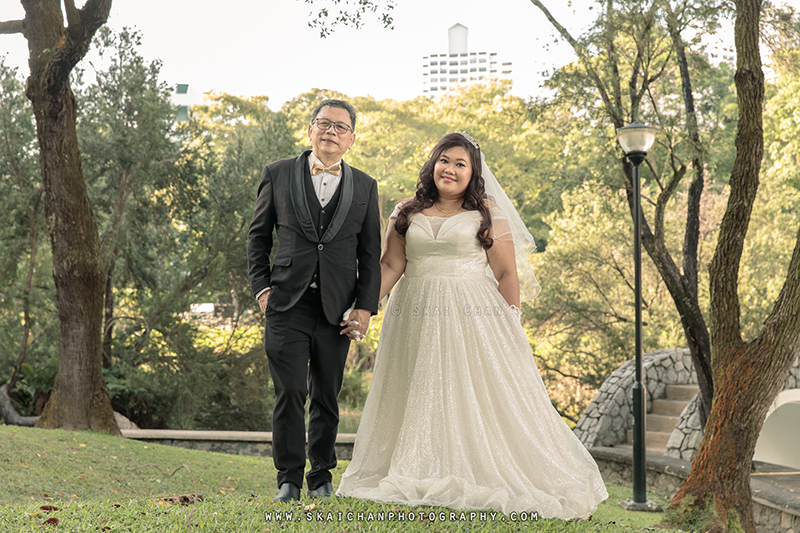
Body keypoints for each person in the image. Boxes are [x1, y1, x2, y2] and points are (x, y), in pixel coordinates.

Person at [337, 132, 608, 518]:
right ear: (432, 164)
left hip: (472, 315)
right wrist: (364, 308)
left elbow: (506, 273)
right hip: (412, 312)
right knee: (418, 386)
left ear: (472, 173)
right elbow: (391, 266)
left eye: (460, 164)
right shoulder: (405, 212)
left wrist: (511, 322)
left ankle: (470, 468)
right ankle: (417, 465)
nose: (450, 169)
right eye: (444, 160)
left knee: (466, 390)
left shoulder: (487, 213)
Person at [247, 99, 381, 502]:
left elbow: (370, 254)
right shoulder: (278, 173)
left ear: (351, 140)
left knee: (326, 394)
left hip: (337, 309)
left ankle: (321, 476)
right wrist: (262, 288)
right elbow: (258, 237)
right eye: (324, 124)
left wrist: (365, 306)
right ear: (310, 130)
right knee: (289, 391)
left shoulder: (365, 185)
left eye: (340, 128)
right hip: (285, 303)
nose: (331, 132)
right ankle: (288, 478)